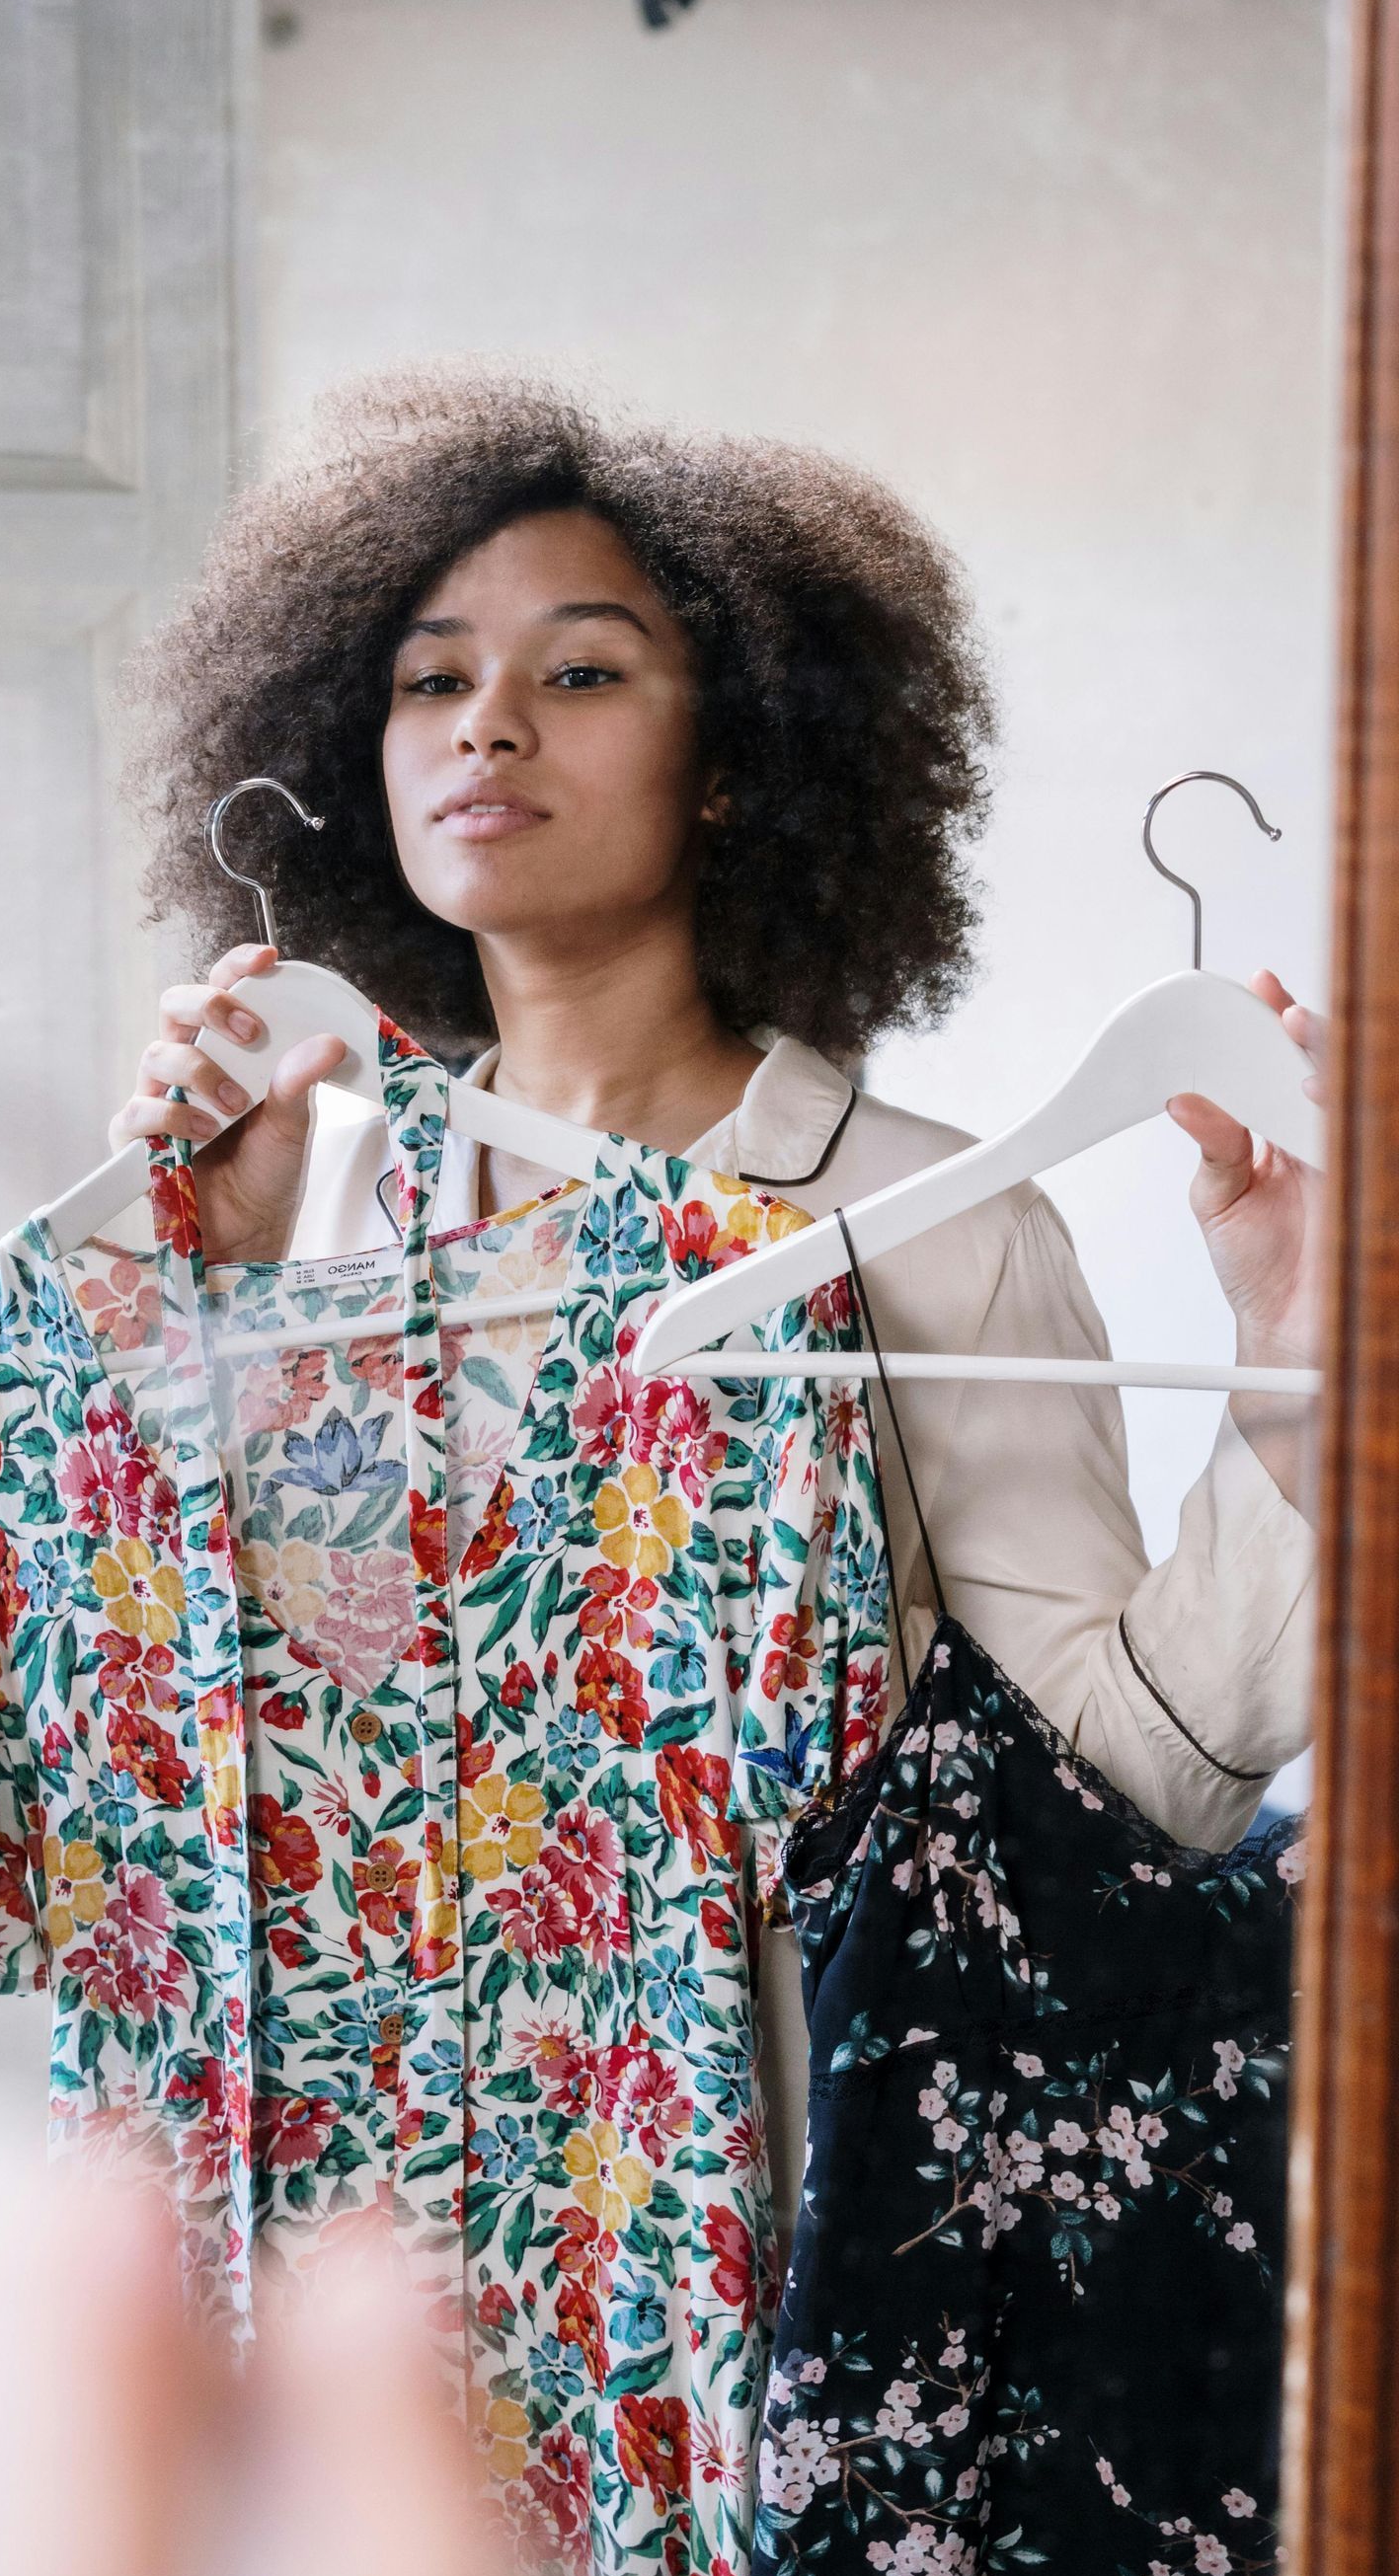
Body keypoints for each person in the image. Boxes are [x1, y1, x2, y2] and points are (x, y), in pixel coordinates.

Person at [110, 365, 1318, 2211]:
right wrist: (211, 1279)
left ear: (739, 759)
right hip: (358, 2228)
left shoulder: (923, 1219)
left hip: (759, 2254)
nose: (485, 727)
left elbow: (1125, 1791)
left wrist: (1284, 1406)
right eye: (431, 679)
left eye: (580, 672)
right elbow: (168, 1749)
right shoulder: (310, 1203)